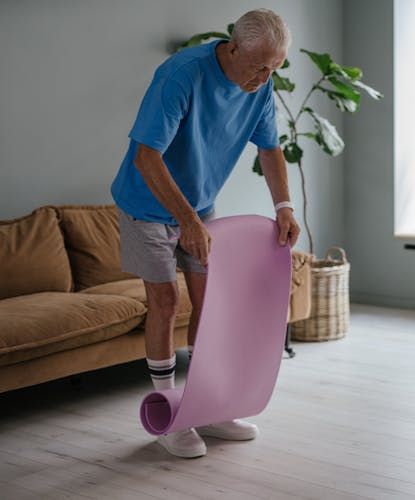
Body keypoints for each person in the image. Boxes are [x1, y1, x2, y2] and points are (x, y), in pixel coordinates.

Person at [110, 8, 300, 458]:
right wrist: (189, 221)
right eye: (259, 66)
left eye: (275, 67)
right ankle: (169, 412)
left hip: (199, 206)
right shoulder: (181, 76)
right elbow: (146, 158)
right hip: (146, 207)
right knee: (166, 302)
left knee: (211, 302)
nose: (265, 77)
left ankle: (207, 405)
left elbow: (270, 149)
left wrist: (284, 206)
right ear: (233, 49)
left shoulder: (261, 84)